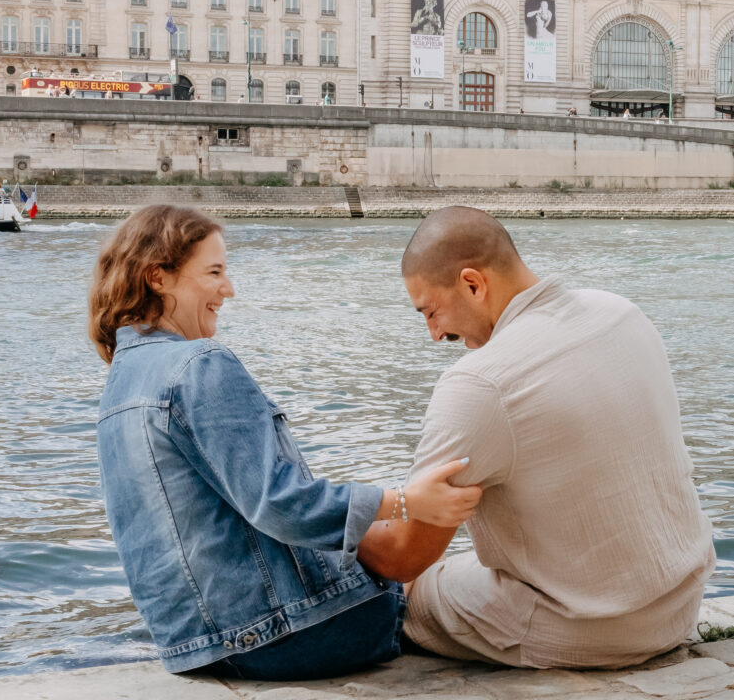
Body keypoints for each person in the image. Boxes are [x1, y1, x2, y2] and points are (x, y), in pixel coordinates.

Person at [88, 206, 480, 680]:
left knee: (390, 562)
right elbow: (280, 503)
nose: (227, 288)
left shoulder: (120, 383)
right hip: (289, 636)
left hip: (194, 647)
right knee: (435, 589)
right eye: (214, 272)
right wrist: (404, 501)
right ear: (158, 278)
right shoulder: (200, 363)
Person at [359, 206, 715, 670]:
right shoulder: (621, 312)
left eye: (430, 312)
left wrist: (323, 515)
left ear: (473, 284)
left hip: (587, 627)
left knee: (400, 588)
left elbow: (403, 554)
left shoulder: (480, 382)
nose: (434, 334)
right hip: (679, 605)